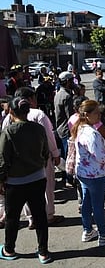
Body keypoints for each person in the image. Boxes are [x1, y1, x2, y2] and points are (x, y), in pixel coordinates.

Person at [2, 87, 64, 228]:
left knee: (25, 193)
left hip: (18, 163)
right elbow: (49, 136)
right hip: (40, 159)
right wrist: (55, 154)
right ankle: (48, 216)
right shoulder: (38, 114)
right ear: (29, 100)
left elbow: (4, 137)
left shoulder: (9, 117)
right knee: (46, 188)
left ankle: (31, 218)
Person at [0, 96, 52, 263]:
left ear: (11, 112)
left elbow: (2, 160)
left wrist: (1, 180)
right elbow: (45, 152)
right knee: (40, 215)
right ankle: (43, 252)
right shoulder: (38, 128)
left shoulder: (8, 132)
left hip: (15, 182)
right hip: (37, 177)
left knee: (12, 217)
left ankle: (9, 249)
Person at [71, 100, 105, 246]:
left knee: (86, 203)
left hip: (84, 173)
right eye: (96, 113)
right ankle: (103, 235)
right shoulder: (92, 133)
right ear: (87, 114)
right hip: (96, 174)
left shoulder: (80, 128)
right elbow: (101, 157)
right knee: (98, 206)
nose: (99, 115)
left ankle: (87, 230)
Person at [54, 71, 76, 187]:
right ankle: (68, 179)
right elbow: (71, 117)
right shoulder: (67, 96)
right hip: (67, 130)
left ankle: (65, 177)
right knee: (69, 155)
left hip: (60, 129)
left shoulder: (58, 94)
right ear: (67, 82)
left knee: (64, 154)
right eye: (72, 80)